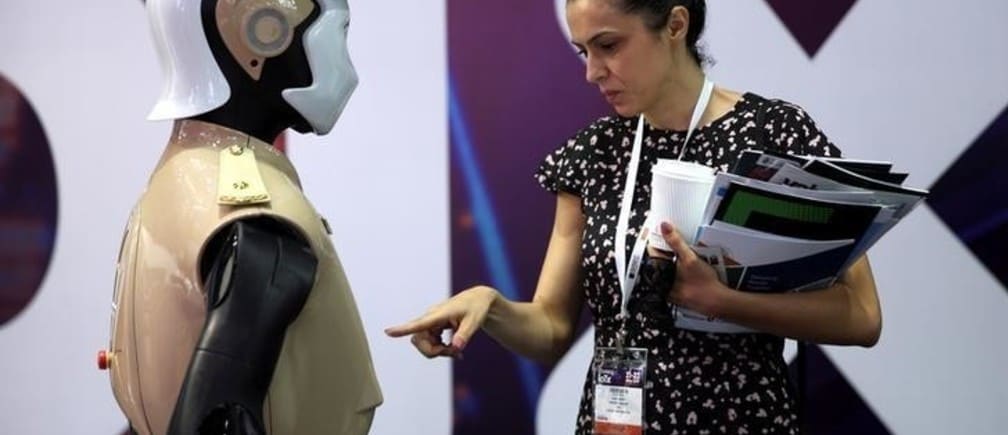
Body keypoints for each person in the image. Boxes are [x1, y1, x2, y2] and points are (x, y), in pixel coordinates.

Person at [386, 0, 881, 433]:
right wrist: (490, 304)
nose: (592, 71)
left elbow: (860, 316)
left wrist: (721, 301)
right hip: (614, 422)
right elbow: (552, 329)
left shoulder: (775, 135)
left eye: (608, 45)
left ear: (675, 25)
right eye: (584, 51)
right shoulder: (592, 153)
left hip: (744, 418)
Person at [100, 1, 381, 434]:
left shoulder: (178, 181)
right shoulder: (255, 217)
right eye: (335, 31)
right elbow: (216, 411)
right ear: (262, 32)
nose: (343, 60)